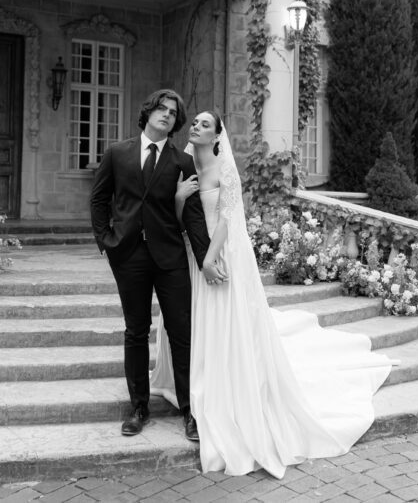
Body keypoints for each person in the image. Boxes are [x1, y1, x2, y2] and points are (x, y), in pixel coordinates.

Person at [151, 111, 395, 478]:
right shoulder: (185, 167)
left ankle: (220, 388)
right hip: (191, 253)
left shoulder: (223, 169)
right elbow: (178, 218)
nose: (196, 127)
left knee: (220, 319)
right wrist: (180, 199)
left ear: (217, 136)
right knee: (189, 321)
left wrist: (210, 259)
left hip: (220, 253)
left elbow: (228, 219)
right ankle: (189, 384)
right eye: (195, 123)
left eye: (205, 124)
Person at [89, 89, 222, 441]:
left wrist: (207, 259)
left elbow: (193, 216)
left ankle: (190, 410)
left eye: (172, 112)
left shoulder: (182, 161)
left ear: (176, 122)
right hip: (128, 255)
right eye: (161, 108)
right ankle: (138, 407)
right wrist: (106, 241)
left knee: (181, 332)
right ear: (148, 112)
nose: (165, 115)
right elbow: (99, 199)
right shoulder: (117, 153)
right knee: (136, 331)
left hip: (170, 257)